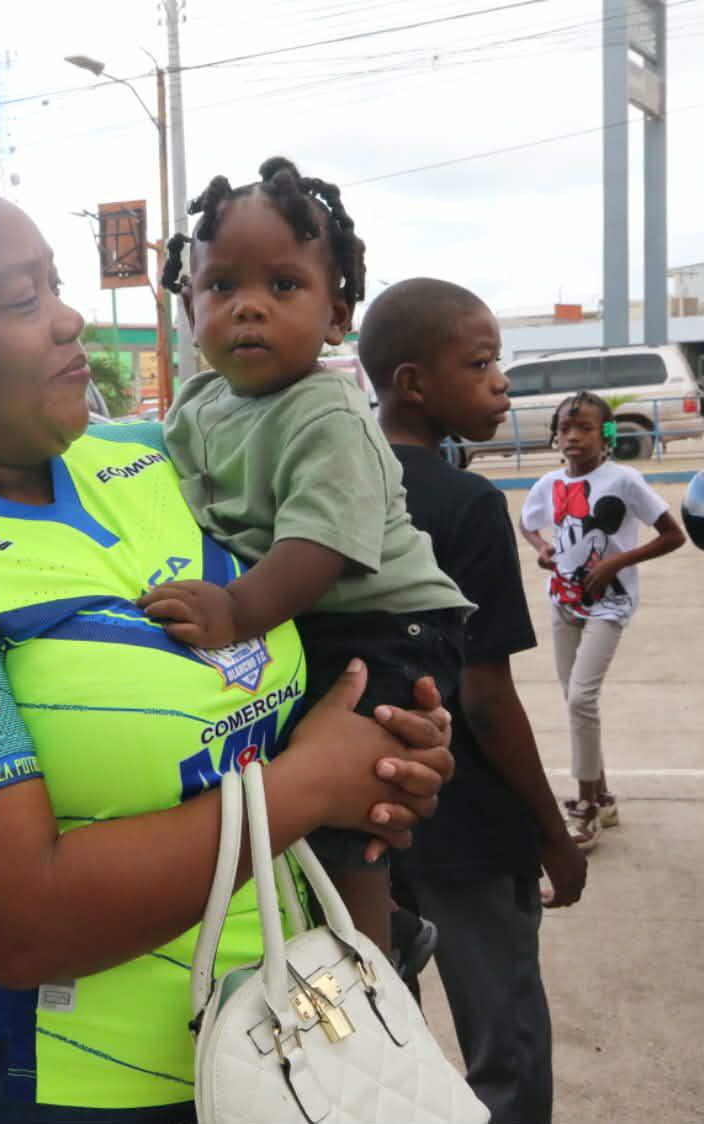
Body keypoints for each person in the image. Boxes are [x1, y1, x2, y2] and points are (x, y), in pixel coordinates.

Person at [0, 117, 456, 1124]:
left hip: (303, 1032)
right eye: (22, 298)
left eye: (56, 283)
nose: (66, 320)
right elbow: (21, 918)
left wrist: (391, 758)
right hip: (76, 1086)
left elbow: (306, 638)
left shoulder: (156, 459)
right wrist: (308, 783)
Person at [142, 158, 472, 953]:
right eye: (222, 287)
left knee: (356, 790)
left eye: (284, 286)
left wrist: (233, 610)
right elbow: (163, 489)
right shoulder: (197, 402)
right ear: (188, 307)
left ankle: (372, 951)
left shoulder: (326, 412)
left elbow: (319, 547)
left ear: (336, 315)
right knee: (285, 785)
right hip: (296, 614)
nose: (249, 306)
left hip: (385, 624)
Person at [362, 277, 587, 1124]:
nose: (501, 382)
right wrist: (552, 836)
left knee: (387, 1039)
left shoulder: (326, 493)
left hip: (360, 816)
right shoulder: (467, 506)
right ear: (415, 381)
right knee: (506, 1047)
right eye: (483, 362)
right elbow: (489, 700)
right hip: (465, 825)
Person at [520, 391, 685, 849]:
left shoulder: (624, 480)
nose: (573, 436)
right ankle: (605, 795)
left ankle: (586, 807)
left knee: (580, 698)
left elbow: (674, 535)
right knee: (578, 706)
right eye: (565, 429)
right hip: (563, 602)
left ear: (606, 434)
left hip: (608, 605)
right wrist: (542, 548)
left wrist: (617, 562)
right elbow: (529, 522)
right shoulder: (549, 484)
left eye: (585, 428)